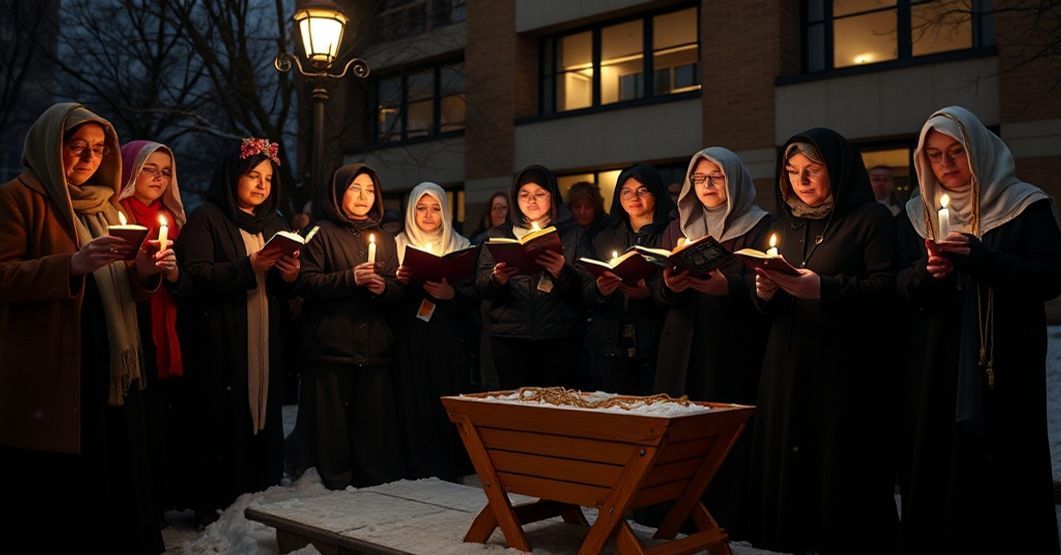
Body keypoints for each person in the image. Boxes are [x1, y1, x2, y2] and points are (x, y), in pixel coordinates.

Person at [0, 103, 170, 552]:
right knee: (66, 476)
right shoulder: (19, 198)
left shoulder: (107, 204)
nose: (88, 158)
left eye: (97, 149)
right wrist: (70, 265)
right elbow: (4, 276)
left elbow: (123, 287)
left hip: (110, 358)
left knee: (114, 460)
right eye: (76, 147)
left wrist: (144, 271)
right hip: (58, 361)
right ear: (50, 145)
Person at [895, 106, 1061, 554]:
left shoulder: (1024, 204)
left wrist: (981, 258)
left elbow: (1049, 278)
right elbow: (896, 285)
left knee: (1003, 461)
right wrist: (926, 274)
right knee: (939, 460)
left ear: (979, 151)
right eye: (934, 155)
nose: (946, 165)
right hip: (936, 360)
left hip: (1002, 362)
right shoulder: (915, 214)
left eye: (956, 152)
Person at [748, 128, 898, 554]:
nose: (802, 180)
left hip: (844, 365)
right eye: (792, 171)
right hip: (786, 362)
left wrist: (825, 289)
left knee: (839, 458)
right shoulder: (783, 224)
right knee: (791, 457)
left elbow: (887, 291)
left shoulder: (871, 219)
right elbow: (762, 304)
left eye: (812, 170)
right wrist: (763, 293)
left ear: (838, 170)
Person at [652, 147, 772, 539]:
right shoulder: (678, 226)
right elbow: (660, 293)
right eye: (699, 179)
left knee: (723, 440)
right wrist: (669, 286)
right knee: (679, 437)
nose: (706, 186)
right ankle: (675, 516)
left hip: (730, 348)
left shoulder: (759, 226)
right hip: (681, 345)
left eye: (715, 178)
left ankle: (722, 521)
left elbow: (768, 291)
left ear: (734, 180)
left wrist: (729, 288)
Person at [179, 137, 299, 526]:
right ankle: (214, 499)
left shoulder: (275, 222)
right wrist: (248, 266)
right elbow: (194, 276)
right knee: (222, 413)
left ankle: (258, 488)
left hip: (265, 335)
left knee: (263, 408)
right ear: (233, 176)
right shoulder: (207, 218)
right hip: (221, 338)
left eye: (268, 177)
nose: (263, 185)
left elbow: (282, 286)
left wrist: (291, 276)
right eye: (253, 175)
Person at [294, 163, 404, 489]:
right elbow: (306, 281)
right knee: (331, 428)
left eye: (370, 190)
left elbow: (397, 289)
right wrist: (349, 278)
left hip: (373, 346)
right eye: (355, 188)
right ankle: (333, 484)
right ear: (339, 192)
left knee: (370, 424)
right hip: (332, 344)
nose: (363, 196)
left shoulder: (385, 238)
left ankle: (371, 482)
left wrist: (384, 289)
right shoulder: (319, 233)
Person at [117, 140, 195, 518]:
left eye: (166, 172)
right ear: (131, 169)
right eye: (150, 169)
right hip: (131, 325)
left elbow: (190, 284)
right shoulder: (114, 213)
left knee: (165, 418)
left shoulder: (176, 220)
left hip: (171, 329)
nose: (159, 178)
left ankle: (162, 496)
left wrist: (176, 274)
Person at [476, 165, 591, 389]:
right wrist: (497, 279)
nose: (531, 200)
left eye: (540, 194)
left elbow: (586, 288)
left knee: (554, 410)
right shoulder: (499, 235)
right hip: (510, 338)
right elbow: (481, 286)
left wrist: (562, 272)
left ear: (552, 196)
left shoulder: (572, 234)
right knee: (517, 410)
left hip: (558, 338)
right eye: (524, 194)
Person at [394, 182, 477, 480]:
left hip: (448, 339)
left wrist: (451, 294)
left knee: (447, 402)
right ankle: (418, 466)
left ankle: (450, 466)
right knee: (415, 402)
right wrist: (400, 283)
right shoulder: (397, 244)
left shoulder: (461, 245)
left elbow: (473, 295)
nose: (428, 215)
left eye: (435, 208)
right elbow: (387, 300)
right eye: (421, 208)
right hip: (411, 339)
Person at [582, 165, 675, 395]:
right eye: (626, 191)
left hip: (654, 344)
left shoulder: (671, 234)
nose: (634, 197)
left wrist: (650, 292)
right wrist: (599, 290)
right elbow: (584, 292)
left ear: (656, 193)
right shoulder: (603, 237)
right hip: (609, 345)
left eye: (642, 190)